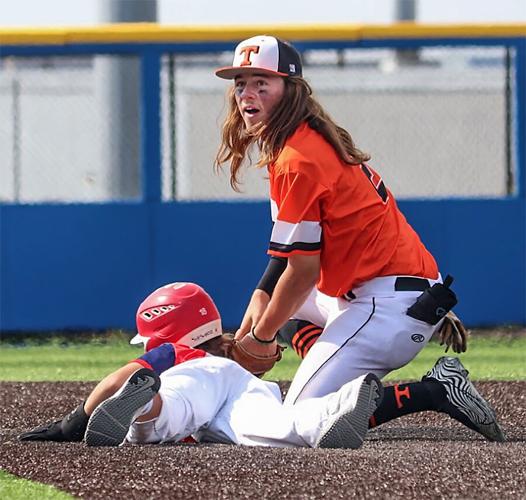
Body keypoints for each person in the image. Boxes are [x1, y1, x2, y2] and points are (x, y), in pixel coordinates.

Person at [214, 35, 504, 441]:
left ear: (291, 90)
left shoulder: (298, 160)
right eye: (241, 82)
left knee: (297, 422)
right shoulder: (300, 144)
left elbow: (302, 274)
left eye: (263, 81)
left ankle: (433, 391)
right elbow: (285, 262)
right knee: (282, 308)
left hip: (384, 308)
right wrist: (258, 305)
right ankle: (333, 368)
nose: (248, 92)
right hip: (393, 295)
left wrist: (261, 337)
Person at [19, 282, 384, 449]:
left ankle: (144, 406)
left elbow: (120, 377)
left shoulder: (177, 353)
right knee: (275, 427)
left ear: (164, 331)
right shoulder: (224, 356)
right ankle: (337, 407)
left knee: (172, 408)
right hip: (242, 387)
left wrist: (73, 422)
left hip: (194, 382)